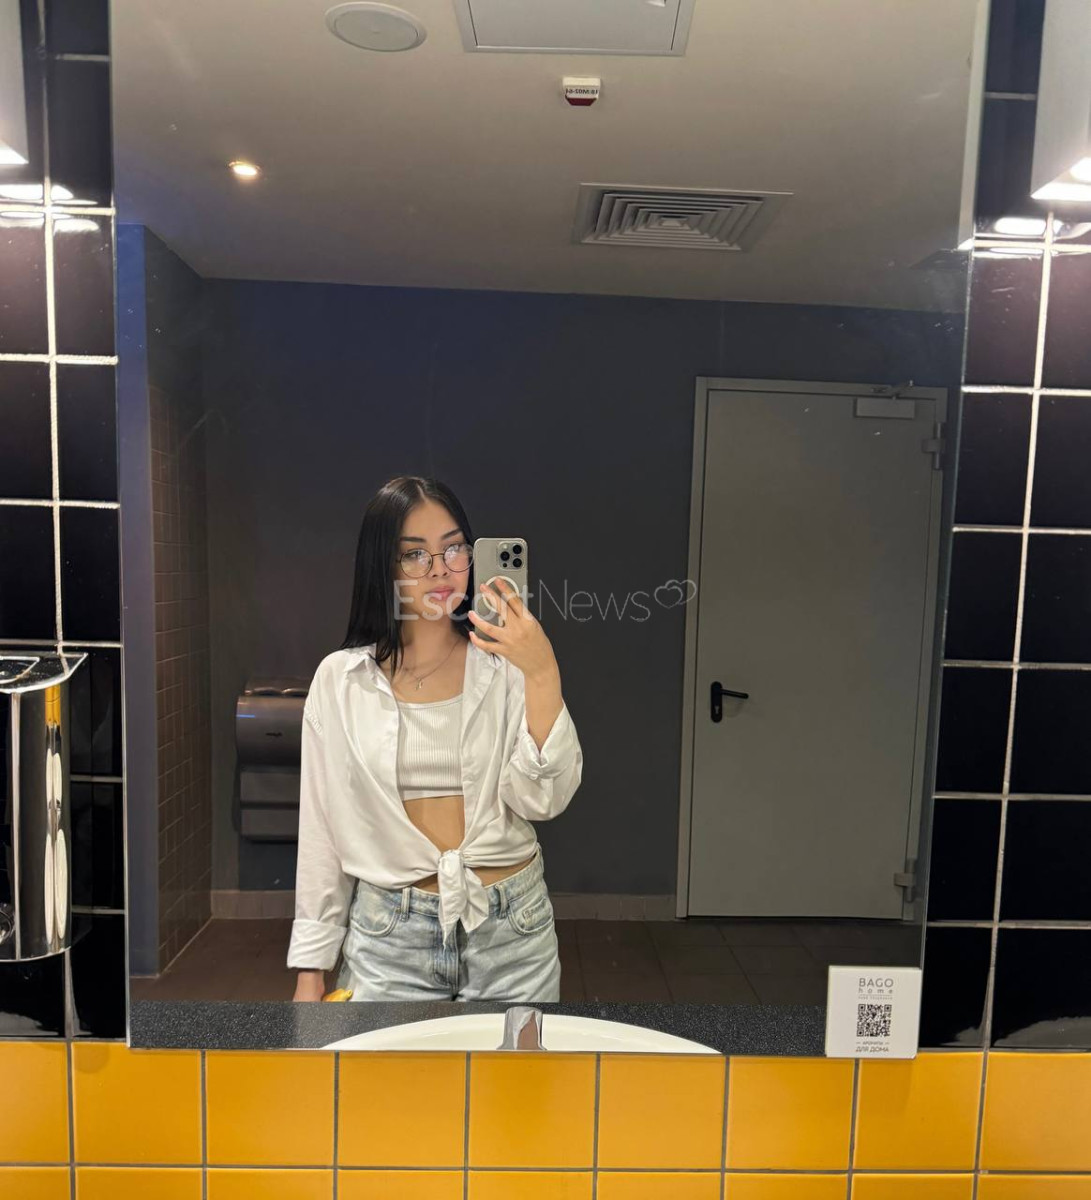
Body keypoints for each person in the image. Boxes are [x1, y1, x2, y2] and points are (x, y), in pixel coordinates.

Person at [288, 475, 583, 1002]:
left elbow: (543, 799)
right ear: (382, 565)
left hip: (512, 931)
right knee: (383, 1063)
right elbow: (322, 828)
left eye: (453, 549)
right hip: (388, 938)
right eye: (415, 555)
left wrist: (542, 672)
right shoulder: (341, 681)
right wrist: (311, 967)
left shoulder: (506, 666)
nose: (441, 570)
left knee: (516, 1064)